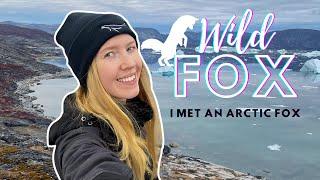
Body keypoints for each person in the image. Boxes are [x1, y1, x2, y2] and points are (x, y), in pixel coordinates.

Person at [47, 11, 163, 180]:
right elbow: (91, 166)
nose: (130, 64)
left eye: (130, 48)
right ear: (88, 70)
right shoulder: (80, 140)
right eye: (109, 54)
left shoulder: (132, 113)